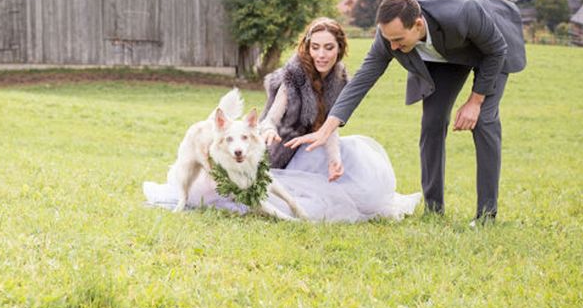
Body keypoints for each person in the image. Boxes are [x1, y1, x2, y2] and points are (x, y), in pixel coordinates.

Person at [143, 17, 421, 222]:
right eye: (315, 47)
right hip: (281, 146)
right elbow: (274, 113)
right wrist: (268, 129)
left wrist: (334, 156)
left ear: (340, 48)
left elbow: (330, 125)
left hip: (312, 145)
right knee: (224, 191)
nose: (321, 54)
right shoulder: (294, 75)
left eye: (328, 48)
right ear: (307, 48)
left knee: (350, 160)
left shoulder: (339, 78)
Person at [287, 0, 526, 224]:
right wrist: (327, 128)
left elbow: (496, 50)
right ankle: (434, 210)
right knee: (432, 122)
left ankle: (486, 215)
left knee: (484, 119)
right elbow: (363, 79)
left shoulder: (464, 12)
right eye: (389, 39)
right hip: (444, 56)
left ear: (418, 25)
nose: (392, 47)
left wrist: (475, 101)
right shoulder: (389, 37)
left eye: (398, 40)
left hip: (491, 50)